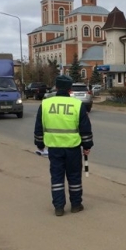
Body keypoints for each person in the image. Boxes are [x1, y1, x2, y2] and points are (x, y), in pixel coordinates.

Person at [34, 75, 93, 216]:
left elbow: (39, 127)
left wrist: (40, 144)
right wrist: (87, 145)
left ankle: (59, 208)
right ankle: (76, 205)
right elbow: (85, 128)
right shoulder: (77, 105)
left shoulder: (46, 104)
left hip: (54, 148)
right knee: (74, 177)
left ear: (56, 87)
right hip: (72, 148)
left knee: (57, 178)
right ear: (70, 89)